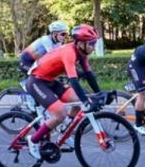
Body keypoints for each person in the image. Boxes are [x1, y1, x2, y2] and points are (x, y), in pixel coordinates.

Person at [25, 24, 101, 160]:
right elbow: (74, 80)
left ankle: (64, 133)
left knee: (78, 102)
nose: (94, 47)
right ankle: (33, 140)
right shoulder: (69, 52)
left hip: (49, 81)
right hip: (36, 81)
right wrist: (86, 101)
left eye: (94, 43)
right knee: (60, 113)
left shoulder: (82, 53)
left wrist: (99, 93)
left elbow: (89, 75)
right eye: (91, 43)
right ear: (81, 43)